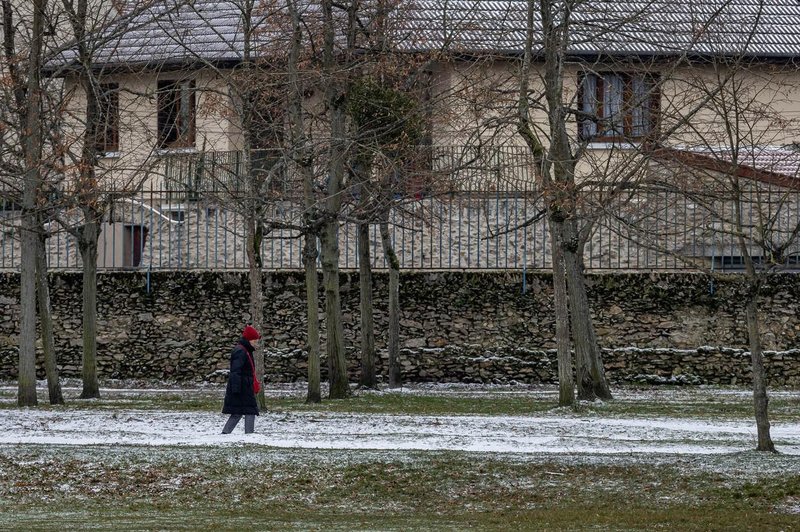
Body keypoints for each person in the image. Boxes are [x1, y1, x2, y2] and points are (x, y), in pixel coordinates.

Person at [221, 325, 262, 434]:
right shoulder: (241, 351)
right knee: (249, 411)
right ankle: (249, 434)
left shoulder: (245, 350)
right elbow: (236, 371)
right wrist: (236, 389)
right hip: (242, 387)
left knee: (238, 412)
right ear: (249, 340)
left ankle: (226, 433)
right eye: (255, 340)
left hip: (244, 386)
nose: (256, 343)